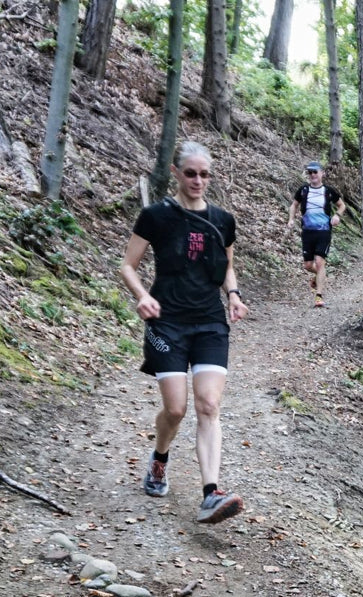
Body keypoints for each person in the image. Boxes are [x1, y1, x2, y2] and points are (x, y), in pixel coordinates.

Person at [119, 141, 246, 524]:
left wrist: (235, 296)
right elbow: (127, 265)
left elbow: (226, 267)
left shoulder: (223, 220)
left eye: (205, 174)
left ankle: (211, 493)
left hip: (209, 322)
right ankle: (160, 459)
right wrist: (142, 295)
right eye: (190, 173)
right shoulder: (156, 216)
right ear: (176, 172)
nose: (198, 180)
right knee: (176, 410)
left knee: (209, 405)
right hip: (167, 322)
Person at [286, 161, 345, 308]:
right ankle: (320, 276)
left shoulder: (329, 191)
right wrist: (291, 219)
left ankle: (318, 296)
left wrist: (337, 215)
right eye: (310, 172)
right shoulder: (303, 190)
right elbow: (294, 205)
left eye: (315, 172)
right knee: (308, 265)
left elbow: (342, 205)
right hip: (307, 232)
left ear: (322, 173)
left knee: (319, 263)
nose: (312, 175)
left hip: (324, 231)